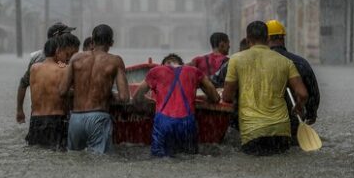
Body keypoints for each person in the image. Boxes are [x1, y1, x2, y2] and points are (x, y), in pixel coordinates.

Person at [222, 21, 308, 156]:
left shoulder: (236, 60)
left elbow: (227, 96)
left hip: (252, 132)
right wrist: (298, 106)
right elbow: (302, 93)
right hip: (281, 132)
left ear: (248, 39)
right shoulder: (285, 62)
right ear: (268, 39)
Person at [59, 24, 130, 154]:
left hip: (75, 119)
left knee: (74, 160)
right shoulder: (115, 61)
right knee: (99, 164)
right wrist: (109, 94)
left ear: (92, 41)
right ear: (112, 42)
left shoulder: (75, 58)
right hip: (98, 118)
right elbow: (124, 97)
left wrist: (81, 92)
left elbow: (62, 91)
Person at [133, 54, 220, 157]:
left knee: (159, 159)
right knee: (189, 158)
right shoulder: (194, 71)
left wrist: (150, 103)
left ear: (163, 65)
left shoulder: (156, 71)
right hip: (187, 123)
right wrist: (203, 98)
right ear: (182, 65)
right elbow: (215, 97)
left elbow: (137, 97)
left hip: (163, 123)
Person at [266, 20, 320, 144]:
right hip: (293, 123)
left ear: (266, 39)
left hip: (261, 125)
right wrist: (311, 113)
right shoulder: (300, 63)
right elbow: (312, 91)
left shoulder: (256, 63)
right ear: (283, 38)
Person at [26, 33, 81, 149]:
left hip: (35, 121)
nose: (67, 58)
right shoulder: (64, 69)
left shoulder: (34, 68)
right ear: (57, 51)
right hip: (56, 120)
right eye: (66, 54)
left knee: (38, 154)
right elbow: (75, 90)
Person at [16, 22, 75, 124]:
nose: (70, 37)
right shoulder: (41, 58)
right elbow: (24, 84)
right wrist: (19, 110)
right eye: (67, 34)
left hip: (52, 116)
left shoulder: (66, 55)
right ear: (56, 36)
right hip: (50, 116)